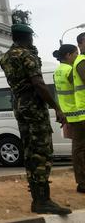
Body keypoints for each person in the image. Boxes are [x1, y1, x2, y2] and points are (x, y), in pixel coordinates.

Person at [0, 23, 71, 215]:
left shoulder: (6, 57)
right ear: (28, 37)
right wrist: (56, 107)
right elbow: (38, 83)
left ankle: (37, 198)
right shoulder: (27, 55)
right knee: (41, 151)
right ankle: (43, 200)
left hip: (20, 106)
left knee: (30, 152)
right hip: (34, 108)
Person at [53, 43, 85, 192]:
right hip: (78, 113)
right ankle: (82, 182)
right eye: (75, 53)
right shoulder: (70, 70)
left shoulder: (57, 71)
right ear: (68, 55)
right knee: (79, 149)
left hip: (69, 114)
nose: (77, 56)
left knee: (77, 148)